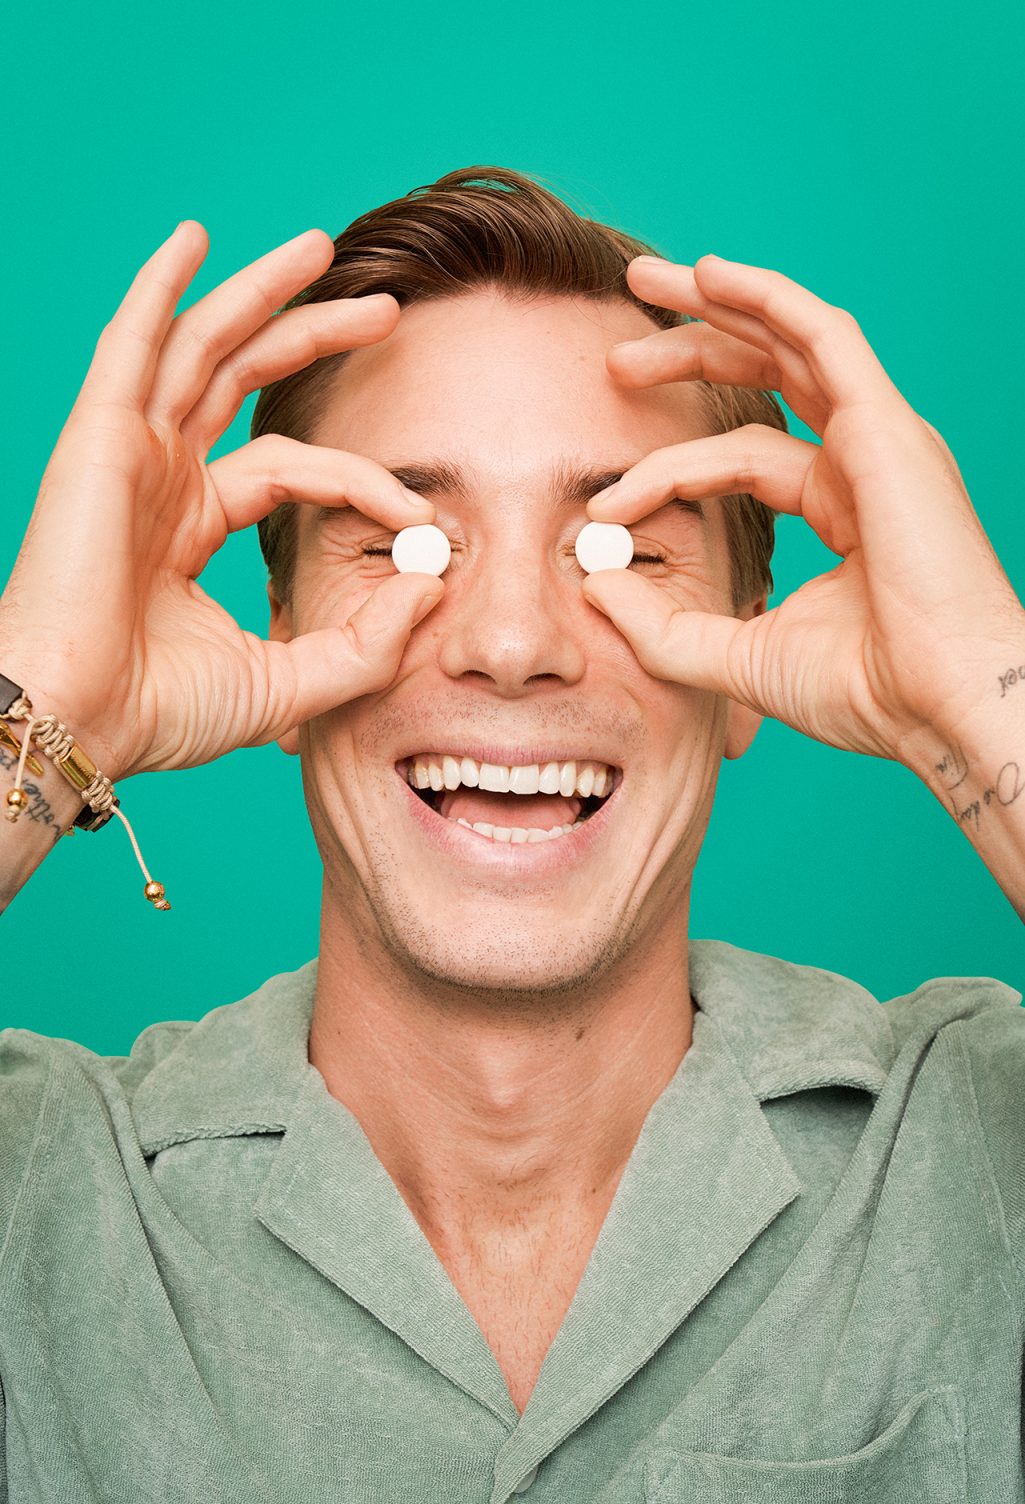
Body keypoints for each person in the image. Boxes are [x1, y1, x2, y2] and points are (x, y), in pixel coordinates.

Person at [0, 165, 1022, 1502]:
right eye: (401, 543)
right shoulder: (42, 1186)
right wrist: (42, 700)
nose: (510, 641)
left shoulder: (973, 1139)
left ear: (748, 667)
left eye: (625, 549)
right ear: (280, 637)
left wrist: (977, 694)